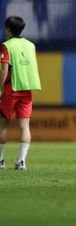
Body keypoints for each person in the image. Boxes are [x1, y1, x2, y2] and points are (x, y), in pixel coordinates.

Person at [0, 16, 41, 170]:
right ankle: (21, 161)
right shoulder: (30, 45)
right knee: (25, 127)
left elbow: (4, 70)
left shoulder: (6, 46)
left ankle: (0, 161)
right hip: (27, 89)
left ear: (9, 29)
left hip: (11, 88)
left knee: (3, 125)